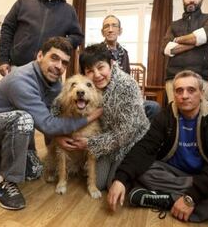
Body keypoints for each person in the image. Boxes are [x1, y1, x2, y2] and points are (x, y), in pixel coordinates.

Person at [0, 37, 101, 210]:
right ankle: (5, 182)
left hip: (4, 124)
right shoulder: (21, 80)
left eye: (64, 63)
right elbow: (47, 124)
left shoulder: (54, 82)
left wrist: (56, 141)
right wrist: (89, 118)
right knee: (24, 119)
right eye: (54, 58)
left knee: (35, 171)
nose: (59, 66)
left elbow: (51, 115)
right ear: (40, 55)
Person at [107, 70, 208, 226]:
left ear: (202, 93)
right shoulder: (165, 116)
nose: (185, 95)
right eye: (179, 90)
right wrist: (121, 179)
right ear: (174, 94)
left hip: (205, 174)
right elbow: (145, 147)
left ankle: (168, 200)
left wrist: (191, 197)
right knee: (143, 171)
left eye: (191, 90)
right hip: (172, 173)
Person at [56, 43, 150, 191]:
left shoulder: (126, 86)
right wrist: (57, 134)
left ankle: (145, 169)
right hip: (106, 142)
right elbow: (59, 103)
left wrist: (90, 143)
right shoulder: (90, 86)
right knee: (100, 184)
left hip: (129, 142)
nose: (97, 75)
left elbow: (124, 135)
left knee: (112, 182)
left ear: (111, 64)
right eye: (90, 71)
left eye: (101, 68)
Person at [0, 0, 83, 76]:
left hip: (50, 72)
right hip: (18, 68)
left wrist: (60, 42)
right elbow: (7, 30)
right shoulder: (23, 1)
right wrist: (3, 59)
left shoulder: (69, 10)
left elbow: (78, 37)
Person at [162, 0, 208, 102]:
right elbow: (167, 49)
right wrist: (197, 42)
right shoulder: (174, 25)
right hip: (173, 79)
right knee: (174, 117)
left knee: (200, 119)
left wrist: (177, 40)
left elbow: (203, 36)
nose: (192, 0)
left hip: (200, 79)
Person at [101, 14, 161, 121]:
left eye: (114, 26)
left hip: (125, 98)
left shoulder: (124, 53)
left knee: (154, 107)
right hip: (106, 99)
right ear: (102, 32)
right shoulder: (97, 52)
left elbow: (128, 79)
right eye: (106, 26)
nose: (110, 30)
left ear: (120, 31)